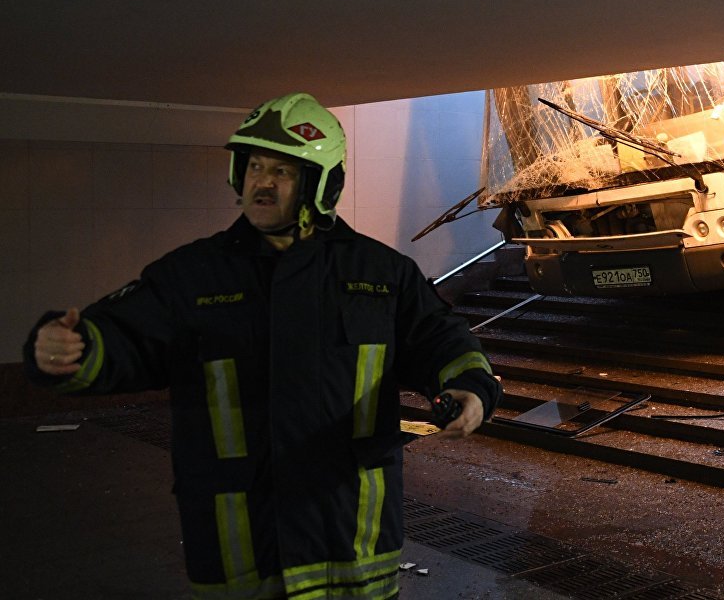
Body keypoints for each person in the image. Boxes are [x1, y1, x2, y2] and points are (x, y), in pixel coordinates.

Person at [23, 92, 503, 600]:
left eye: (282, 171)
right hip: (240, 542)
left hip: (350, 539)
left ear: (322, 184)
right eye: (253, 167)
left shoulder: (381, 276)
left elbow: (440, 338)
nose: (262, 183)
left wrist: (470, 388)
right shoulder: (192, 275)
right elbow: (121, 337)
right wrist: (70, 349)